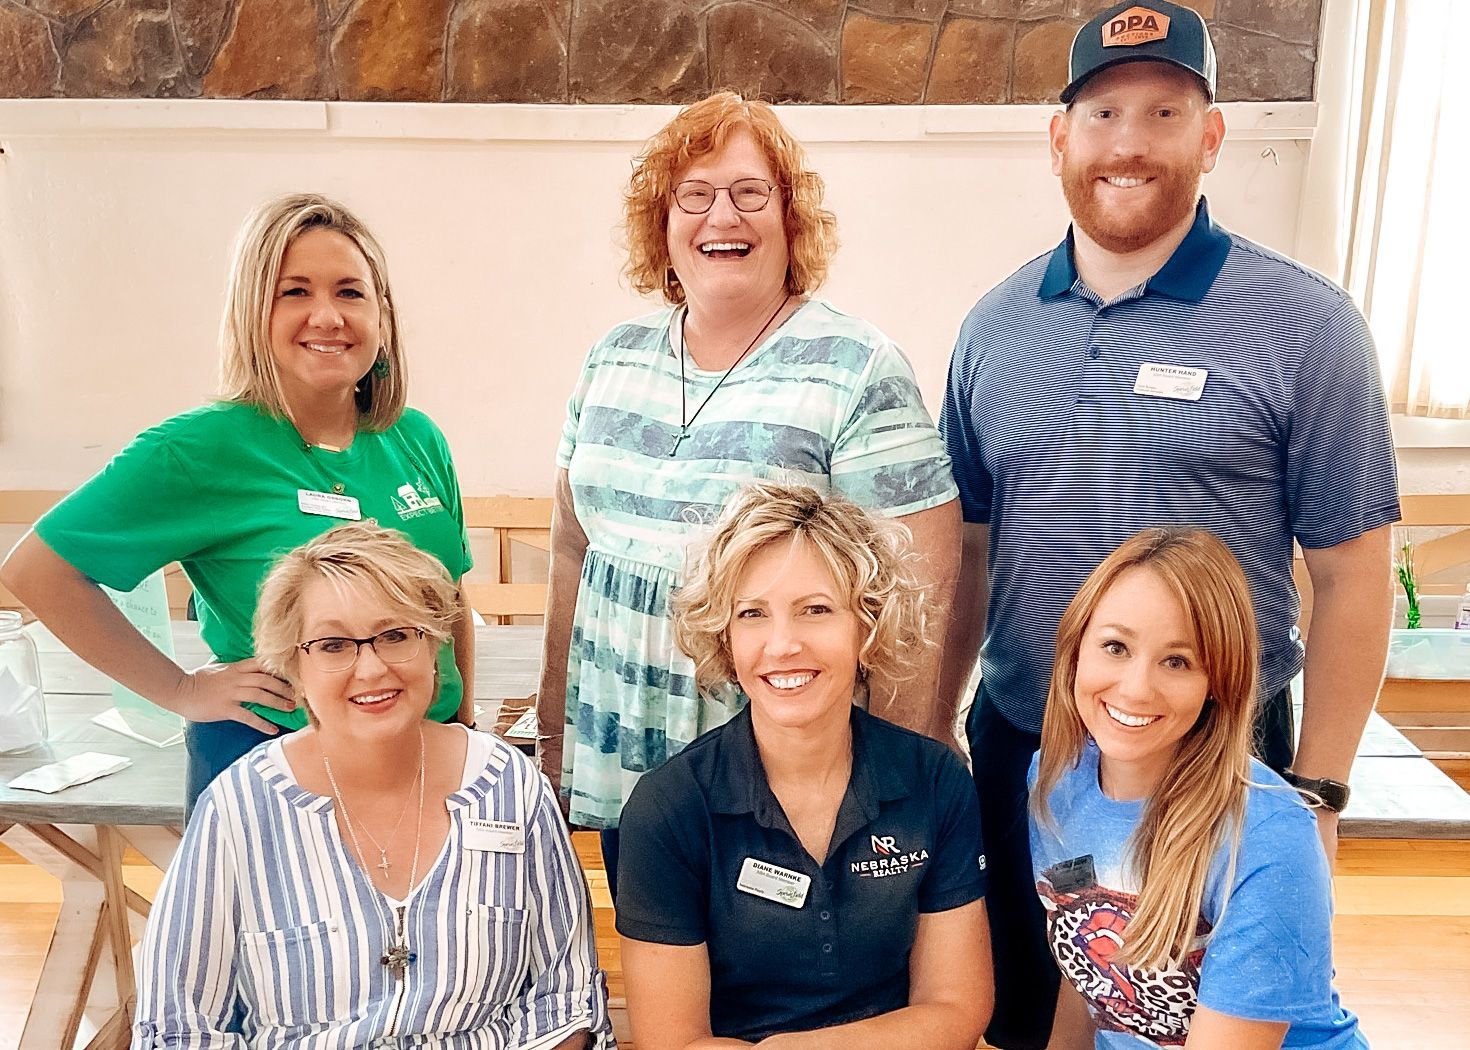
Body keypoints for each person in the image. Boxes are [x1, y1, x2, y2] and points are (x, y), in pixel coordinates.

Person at [937, 4, 1398, 1045]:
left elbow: (1354, 572)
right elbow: (968, 545)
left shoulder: (1307, 327)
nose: (1129, 141)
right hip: (1032, 745)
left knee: (1211, 1014)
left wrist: (1319, 789)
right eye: (1102, 112)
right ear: (1061, 138)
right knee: (1049, 1001)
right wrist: (935, 724)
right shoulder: (993, 326)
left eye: (1164, 110)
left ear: (1213, 135)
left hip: (1217, 748)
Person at [540, 91, 961, 885]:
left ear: (791, 216)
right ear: (661, 226)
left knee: (785, 990)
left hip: (787, 769)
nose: (720, 217)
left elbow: (919, 589)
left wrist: (892, 784)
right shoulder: (612, 358)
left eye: (749, 193)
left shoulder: (856, 366)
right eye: (692, 196)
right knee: (666, 979)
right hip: (618, 756)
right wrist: (556, 741)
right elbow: (572, 551)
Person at [0, 193, 475, 813]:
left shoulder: (416, 437)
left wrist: (463, 722)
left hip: (421, 754)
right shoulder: (196, 451)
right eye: (294, 292)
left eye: (350, 292)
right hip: (275, 764)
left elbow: (454, 597)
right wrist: (180, 689)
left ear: (382, 316)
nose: (327, 316)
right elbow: (36, 571)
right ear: (253, 313)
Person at [134, 522, 611, 1048]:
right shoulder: (240, 809)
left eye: (397, 635)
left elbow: (566, 1000)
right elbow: (177, 1025)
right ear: (292, 663)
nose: (371, 667)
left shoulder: (510, 788)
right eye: (334, 644)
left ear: (434, 644)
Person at [615, 482, 991, 1050]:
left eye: (815, 610)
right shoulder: (670, 807)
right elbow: (673, 1041)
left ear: (867, 625)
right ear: (725, 635)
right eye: (753, 614)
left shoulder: (934, 782)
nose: (782, 644)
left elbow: (956, 1009)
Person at [1030, 526, 1368, 1049]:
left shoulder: (1270, 840)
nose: (1136, 688)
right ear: (1075, 651)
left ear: (1218, 684)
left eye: (1177, 661)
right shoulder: (1055, 783)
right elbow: (1085, 976)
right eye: (1115, 646)